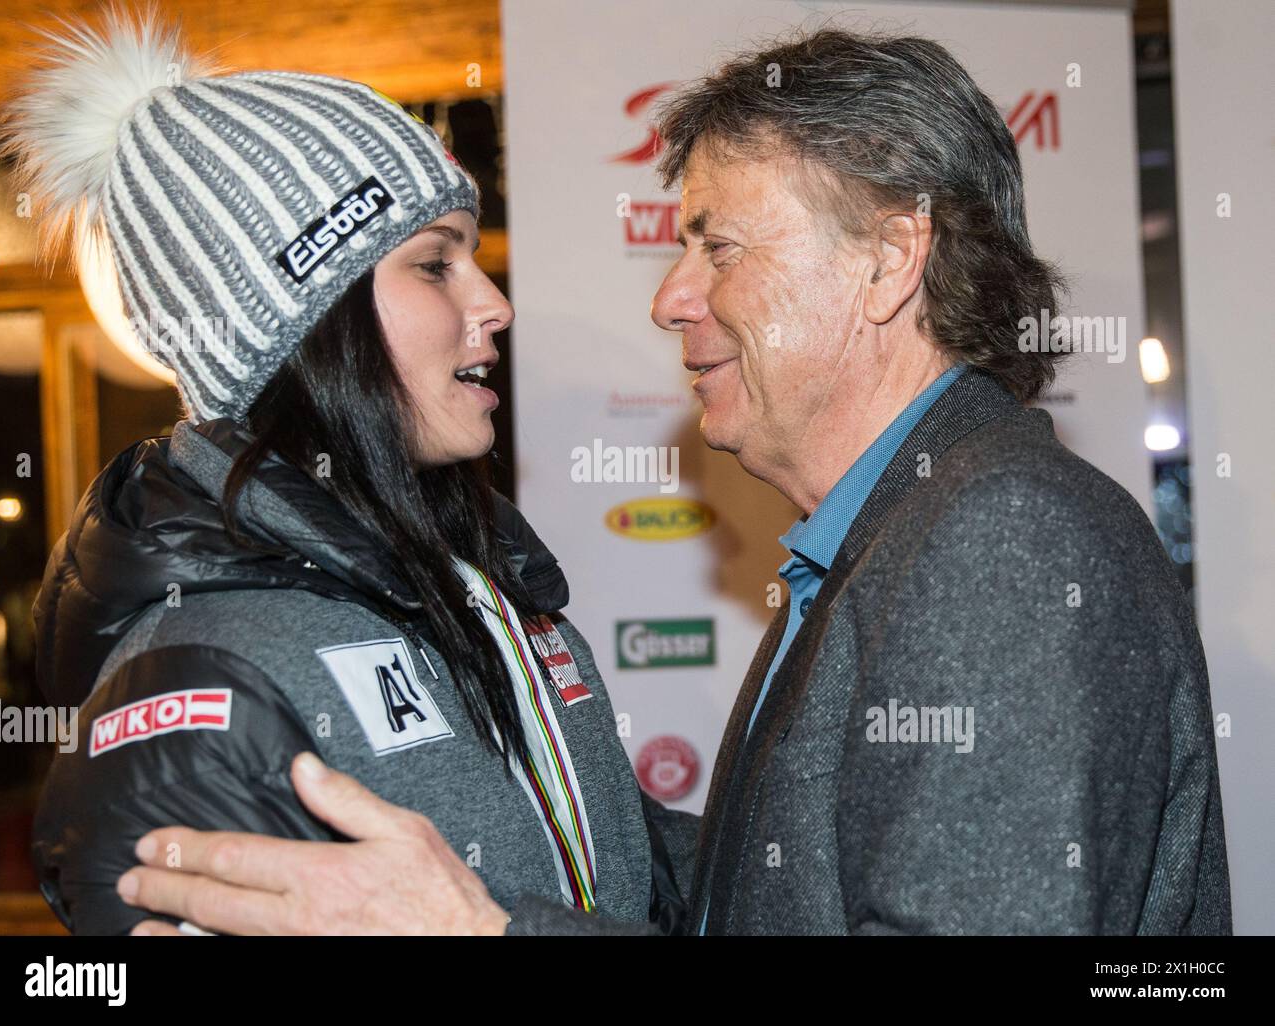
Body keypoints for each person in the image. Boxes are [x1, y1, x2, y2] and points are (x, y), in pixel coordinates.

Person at [109, 26, 1232, 937]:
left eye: (718, 247)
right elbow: (789, 888)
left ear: (889, 259)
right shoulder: (896, 533)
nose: (670, 299)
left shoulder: (1001, 539)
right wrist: (564, 826)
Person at [0, 9, 693, 935]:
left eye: (472, 258)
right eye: (434, 264)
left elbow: (640, 890)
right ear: (308, 330)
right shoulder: (195, 687)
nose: (493, 303)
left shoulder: (482, 589)